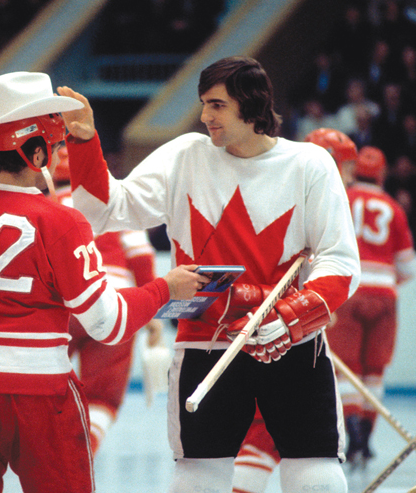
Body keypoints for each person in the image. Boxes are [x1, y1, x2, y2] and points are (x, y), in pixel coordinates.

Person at [58, 56, 361, 493]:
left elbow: (340, 260)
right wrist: (85, 140)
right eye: (203, 104)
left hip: (293, 344)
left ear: (251, 104)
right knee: (197, 475)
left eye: (216, 105)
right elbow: (103, 211)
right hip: (204, 341)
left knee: (314, 471)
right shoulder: (186, 155)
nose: (204, 117)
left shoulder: (310, 164)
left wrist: (292, 317)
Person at [0, 71, 207, 493]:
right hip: (37, 396)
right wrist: (166, 288)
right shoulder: (63, 221)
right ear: (38, 154)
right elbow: (107, 324)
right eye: (54, 144)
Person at [231, 127, 359, 493]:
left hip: (265, 322)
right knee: (296, 442)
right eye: (345, 166)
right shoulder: (319, 194)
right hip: (284, 330)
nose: (348, 175)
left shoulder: (277, 183)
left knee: (263, 434)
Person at [52, 146, 165, 453]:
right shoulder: (113, 203)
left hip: (63, 305)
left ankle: (44, 452)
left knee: (44, 383)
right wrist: (151, 313)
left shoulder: (45, 205)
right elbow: (140, 254)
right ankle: (85, 450)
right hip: (114, 304)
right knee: (103, 396)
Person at [326, 146, 415, 468]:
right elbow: (408, 267)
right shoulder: (394, 207)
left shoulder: (342, 199)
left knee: (346, 368)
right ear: (382, 174)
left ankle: (353, 438)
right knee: (375, 370)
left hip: (348, 291)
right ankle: (367, 438)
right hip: (384, 296)